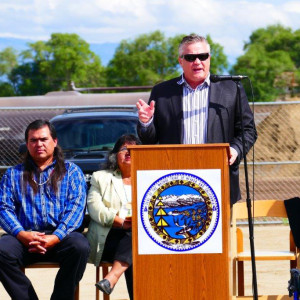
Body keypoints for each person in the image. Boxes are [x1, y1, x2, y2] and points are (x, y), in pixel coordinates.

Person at [136, 34, 257, 205]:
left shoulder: (231, 89)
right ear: (180, 61)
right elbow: (149, 139)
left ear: (210, 58)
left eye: (203, 56)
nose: (197, 62)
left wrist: (235, 150)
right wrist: (146, 122)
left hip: (219, 179)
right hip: (175, 183)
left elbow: (248, 130)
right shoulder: (162, 92)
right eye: (190, 57)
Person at [0, 119, 90, 300]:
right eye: (33, 140)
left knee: (79, 246)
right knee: (1, 250)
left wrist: (55, 237)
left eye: (43, 139)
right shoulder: (12, 174)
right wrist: (21, 234)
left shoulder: (72, 172)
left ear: (55, 142)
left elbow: (76, 209)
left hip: (61, 238)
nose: (38, 144)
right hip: (26, 238)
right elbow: (4, 208)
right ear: (27, 144)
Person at [86, 134, 141, 300]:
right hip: (108, 237)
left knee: (135, 241)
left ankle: (110, 279)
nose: (129, 152)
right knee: (134, 241)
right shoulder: (100, 177)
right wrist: (120, 222)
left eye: (133, 149)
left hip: (138, 240)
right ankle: (114, 278)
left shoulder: (148, 177)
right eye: (124, 149)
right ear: (114, 155)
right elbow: (94, 208)